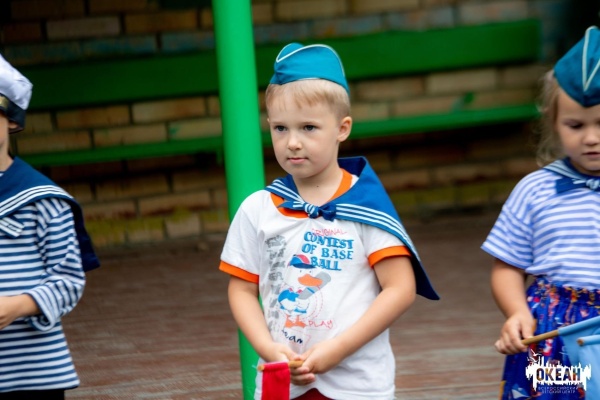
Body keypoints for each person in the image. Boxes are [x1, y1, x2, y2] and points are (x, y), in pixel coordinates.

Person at [219, 43, 439, 400]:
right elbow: (242, 289)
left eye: (308, 127)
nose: (292, 142)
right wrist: (267, 348)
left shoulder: (366, 206)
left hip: (357, 385)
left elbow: (400, 288)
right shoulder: (258, 209)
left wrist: (338, 348)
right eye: (280, 128)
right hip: (283, 382)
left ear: (342, 128)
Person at [482, 26, 600, 399]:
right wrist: (516, 312)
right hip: (554, 332)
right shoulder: (535, 190)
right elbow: (507, 266)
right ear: (553, 123)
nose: (591, 138)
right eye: (575, 125)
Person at [0, 54, 99, 399]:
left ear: (11, 120)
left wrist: (17, 305)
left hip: (32, 372)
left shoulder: (42, 199)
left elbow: (69, 280)